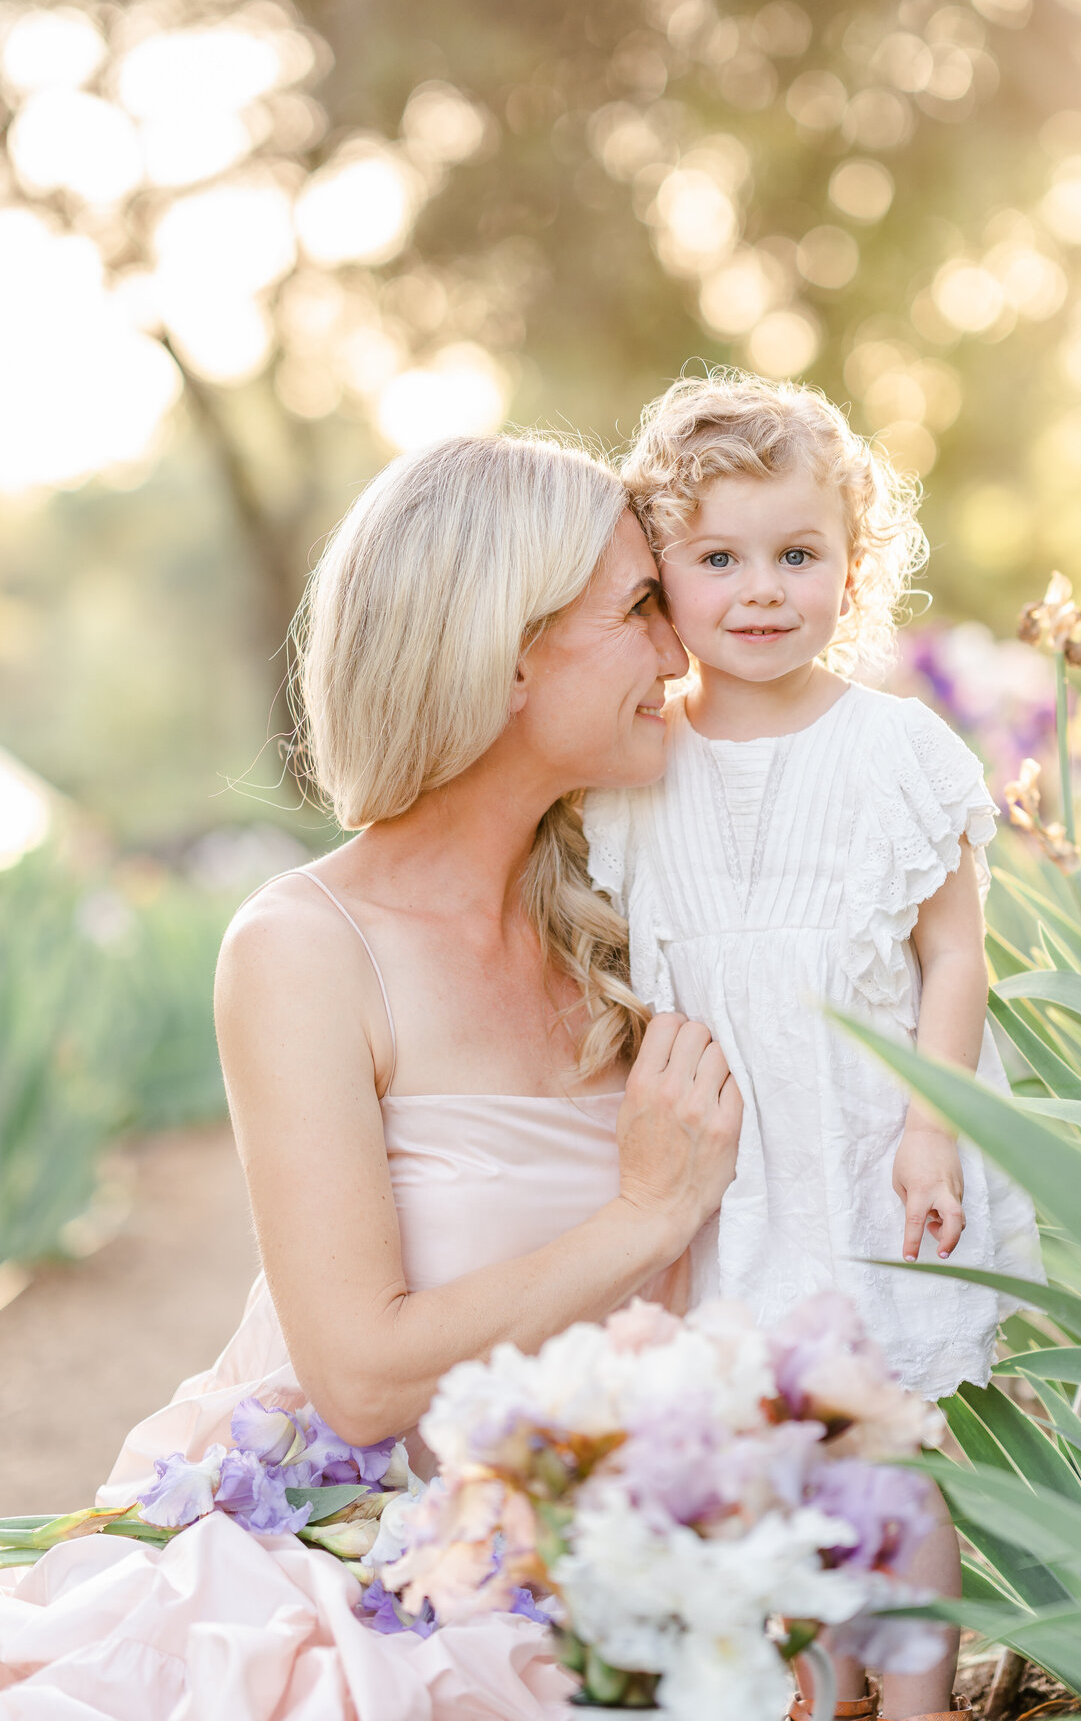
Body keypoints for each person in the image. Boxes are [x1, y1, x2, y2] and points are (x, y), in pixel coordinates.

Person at [0, 434, 742, 1719]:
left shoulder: (642, 918)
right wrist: (647, 1214)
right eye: (638, 609)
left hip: (617, 1536)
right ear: (508, 650)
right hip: (361, 1554)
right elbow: (358, 1377)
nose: (679, 655)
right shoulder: (303, 950)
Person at [582, 371, 1042, 1721]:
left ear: (856, 566)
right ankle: (811, 1683)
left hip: (860, 1143)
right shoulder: (634, 763)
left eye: (799, 554)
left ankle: (915, 1698)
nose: (762, 589)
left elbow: (954, 951)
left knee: (886, 1432)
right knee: (750, 1446)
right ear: (659, 574)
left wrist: (929, 1124)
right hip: (721, 1166)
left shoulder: (895, 747)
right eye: (718, 557)